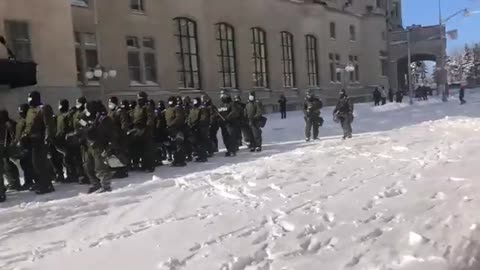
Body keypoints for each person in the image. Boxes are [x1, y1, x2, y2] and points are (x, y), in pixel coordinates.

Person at [23, 91, 56, 194]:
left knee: (41, 164)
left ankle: (46, 185)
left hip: (41, 141)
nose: (29, 100)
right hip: (32, 142)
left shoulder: (44, 108)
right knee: (34, 164)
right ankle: (41, 182)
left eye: (31, 98)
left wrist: (47, 138)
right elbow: (28, 126)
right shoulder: (30, 111)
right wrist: (24, 135)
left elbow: (48, 125)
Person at [82, 101, 114, 193]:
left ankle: (106, 186)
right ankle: (95, 184)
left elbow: (109, 134)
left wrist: (109, 146)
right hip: (90, 145)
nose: (86, 111)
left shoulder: (104, 119)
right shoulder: (90, 118)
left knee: (100, 167)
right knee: (88, 166)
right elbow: (82, 126)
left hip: (100, 145)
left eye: (87, 109)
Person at [129, 92, 155, 172]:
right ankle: (136, 163)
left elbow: (150, 118)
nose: (139, 99)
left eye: (141, 98)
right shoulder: (136, 107)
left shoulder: (147, 107)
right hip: (137, 129)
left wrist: (147, 127)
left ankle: (148, 166)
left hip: (145, 130)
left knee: (147, 149)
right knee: (137, 147)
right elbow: (133, 117)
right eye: (138, 98)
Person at [55, 99, 77, 183]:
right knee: (66, 159)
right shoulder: (59, 116)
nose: (59, 107)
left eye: (60, 105)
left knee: (69, 158)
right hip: (61, 140)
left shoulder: (69, 116)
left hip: (69, 140)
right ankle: (69, 175)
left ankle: (72, 175)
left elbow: (71, 126)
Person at [108, 96, 131, 178]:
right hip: (113, 136)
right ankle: (117, 170)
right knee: (115, 154)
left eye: (111, 103)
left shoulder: (120, 111)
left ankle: (123, 171)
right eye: (109, 103)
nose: (109, 105)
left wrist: (121, 133)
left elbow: (124, 124)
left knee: (121, 153)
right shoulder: (110, 112)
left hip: (120, 136)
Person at [16, 103, 35, 190]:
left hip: (28, 145)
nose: (20, 113)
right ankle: (29, 181)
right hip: (22, 145)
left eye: (21, 111)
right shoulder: (21, 121)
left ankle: (31, 182)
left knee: (29, 164)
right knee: (24, 164)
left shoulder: (29, 121)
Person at [165, 96, 186, 167]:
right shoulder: (168, 109)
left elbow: (179, 118)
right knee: (173, 145)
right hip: (170, 130)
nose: (170, 102)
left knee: (179, 145)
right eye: (169, 101)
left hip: (177, 129)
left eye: (171, 101)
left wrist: (171, 124)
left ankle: (181, 160)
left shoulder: (177, 108)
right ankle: (176, 160)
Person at [218, 92, 241, 157]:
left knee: (231, 137)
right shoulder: (220, 104)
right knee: (225, 137)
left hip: (231, 123)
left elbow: (234, 112)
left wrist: (227, 118)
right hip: (223, 124)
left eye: (223, 95)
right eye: (221, 95)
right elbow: (219, 113)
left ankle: (232, 150)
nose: (221, 96)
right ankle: (228, 149)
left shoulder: (232, 104)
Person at [188, 97, 209, 162]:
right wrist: (190, 124)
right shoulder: (192, 109)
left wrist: (197, 125)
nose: (194, 102)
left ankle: (203, 156)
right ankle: (199, 155)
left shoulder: (202, 108)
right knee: (196, 143)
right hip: (193, 128)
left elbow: (203, 118)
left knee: (201, 143)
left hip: (201, 128)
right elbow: (189, 118)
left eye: (195, 101)